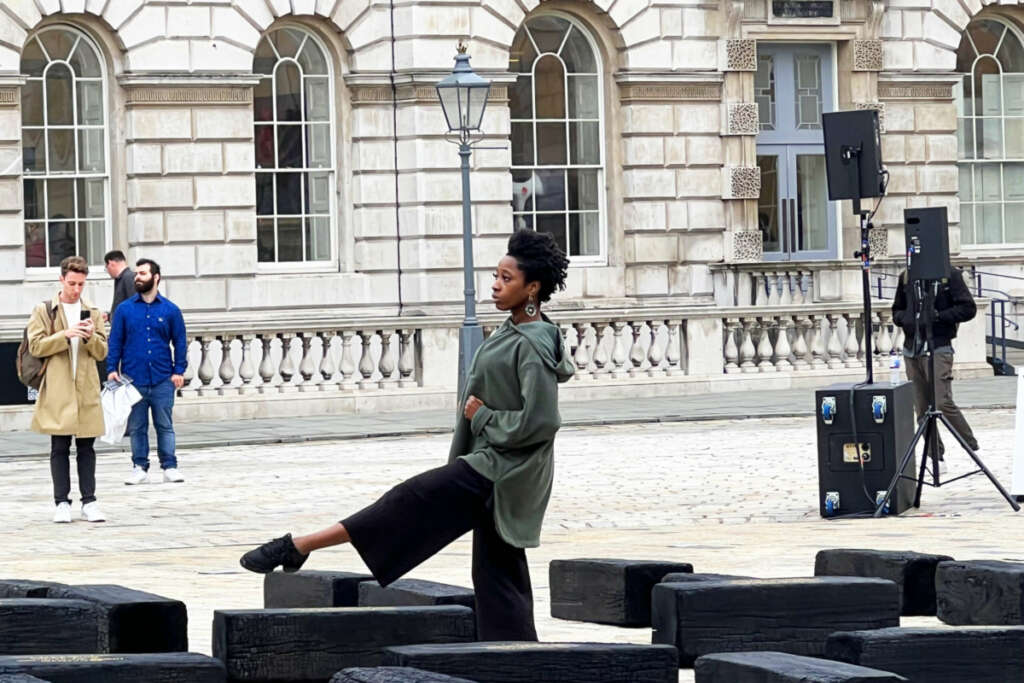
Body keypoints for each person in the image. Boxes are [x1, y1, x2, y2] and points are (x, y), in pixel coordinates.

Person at [239, 230, 574, 640]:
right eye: (496, 275)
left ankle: (299, 545)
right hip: (494, 464)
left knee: (407, 501)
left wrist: (483, 416)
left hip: (502, 470)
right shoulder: (511, 328)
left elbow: (541, 423)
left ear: (532, 287)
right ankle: (517, 658)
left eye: (506, 278)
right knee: (499, 574)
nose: (495, 285)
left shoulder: (533, 346)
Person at [27, 256, 108, 523]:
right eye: (72, 283)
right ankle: (61, 501)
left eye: (81, 284)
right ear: (61, 279)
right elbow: (36, 346)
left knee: (87, 447)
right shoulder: (45, 310)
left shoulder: (92, 311)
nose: (76, 289)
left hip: (85, 387)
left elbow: (102, 352)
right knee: (59, 446)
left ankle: (90, 501)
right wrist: (66, 334)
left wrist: (90, 336)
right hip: (59, 387)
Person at [106, 259, 188, 485]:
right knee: (137, 426)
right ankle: (139, 466)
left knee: (165, 424)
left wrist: (178, 370)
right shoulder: (125, 310)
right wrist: (112, 368)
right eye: (137, 274)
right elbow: (115, 341)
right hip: (133, 378)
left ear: (156, 277)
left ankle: (170, 466)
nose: (137, 277)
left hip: (163, 377)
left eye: (143, 273)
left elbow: (180, 342)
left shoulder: (170, 310)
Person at [891, 266, 979, 471]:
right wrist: (906, 319)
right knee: (922, 408)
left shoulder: (951, 274)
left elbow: (968, 308)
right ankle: (935, 457)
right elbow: (897, 309)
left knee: (942, 401)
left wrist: (939, 315)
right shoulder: (906, 277)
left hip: (939, 346)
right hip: (912, 349)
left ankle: (969, 444)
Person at [104, 250, 135, 320]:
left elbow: (135, 306)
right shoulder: (121, 278)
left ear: (111, 263)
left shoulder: (129, 278)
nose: (107, 271)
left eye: (106, 267)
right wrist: (109, 316)